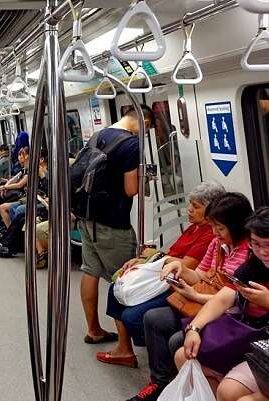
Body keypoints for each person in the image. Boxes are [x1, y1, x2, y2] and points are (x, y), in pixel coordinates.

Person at [127, 192, 254, 401]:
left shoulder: (249, 253)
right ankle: (159, 382)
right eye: (213, 227)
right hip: (204, 301)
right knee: (153, 318)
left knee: (178, 341)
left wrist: (194, 295)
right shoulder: (217, 244)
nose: (215, 233)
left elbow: (235, 300)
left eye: (220, 228)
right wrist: (180, 267)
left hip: (228, 313)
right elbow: (201, 274)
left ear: (237, 225)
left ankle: (188, 388)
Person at [98, 182, 225, 369]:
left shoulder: (209, 235)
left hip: (176, 283)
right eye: (190, 204)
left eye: (196, 206)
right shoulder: (194, 227)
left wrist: (154, 259)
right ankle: (124, 349)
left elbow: (187, 266)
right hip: (166, 274)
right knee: (116, 287)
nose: (189, 210)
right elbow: (172, 254)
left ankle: (159, 366)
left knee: (133, 315)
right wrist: (145, 260)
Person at [173, 207, 269, 400]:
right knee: (183, 356)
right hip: (249, 334)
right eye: (256, 244)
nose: (262, 252)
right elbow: (223, 298)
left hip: (263, 342)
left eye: (268, 245)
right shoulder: (252, 266)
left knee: (229, 391)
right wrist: (194, 329)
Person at [79, 105, 154, 346]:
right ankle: (124, 346)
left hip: (87, 217)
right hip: (112, 223)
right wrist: (146, 180)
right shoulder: (131, 145)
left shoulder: (97, 136)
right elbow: (131, 189)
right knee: (123, 277)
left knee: (90, 271)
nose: (146, 132)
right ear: (142, 121)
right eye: (148, 127)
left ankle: (94, 330)